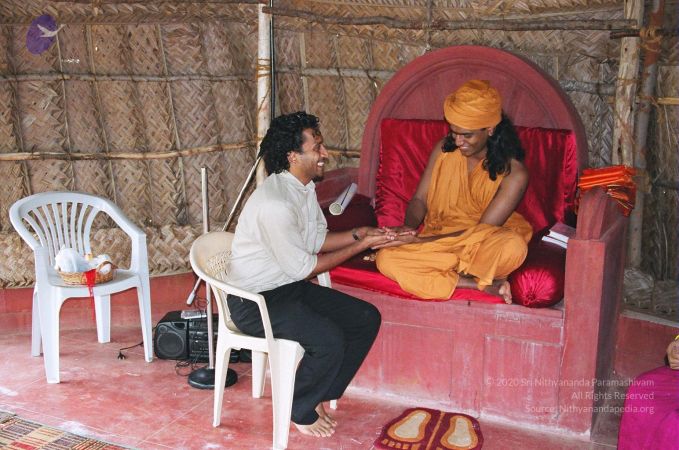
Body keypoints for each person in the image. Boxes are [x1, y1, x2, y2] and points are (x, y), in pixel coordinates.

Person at [226, 112, 399, 438]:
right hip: (254, 302)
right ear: (293, 156)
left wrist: (360, 234)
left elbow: (317, 241)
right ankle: (299, 406)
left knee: (365, 318)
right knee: (328, 339)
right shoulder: (276, 203)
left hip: (285, 287)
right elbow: (305, 267)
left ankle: (318, 393)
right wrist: (359, 246)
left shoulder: (301, 188)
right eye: (317, 147)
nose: (325, 154)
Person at [375, 79, 533, 303]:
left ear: (490, 129)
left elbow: (481, 231)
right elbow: (420, 199)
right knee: (386, 259)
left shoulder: (515, 174)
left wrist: (420, 244)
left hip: (478, 244)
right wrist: (409, 229)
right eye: (454, 132)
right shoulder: (444, 149)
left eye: (466, 135)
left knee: (513, 247)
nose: (458, 141)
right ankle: (476, 283)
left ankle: (449, 272)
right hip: (439, 240)